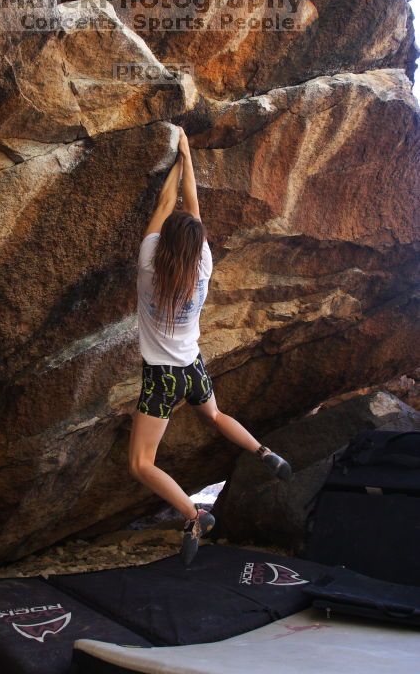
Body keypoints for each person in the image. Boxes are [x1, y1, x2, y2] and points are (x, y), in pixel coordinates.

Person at [128, 126, 292, 566]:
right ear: (195, 244)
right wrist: (188, 156)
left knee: (142, 463)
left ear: (162, 246)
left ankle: (193, 514)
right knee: (215, 415)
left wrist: (173, 160)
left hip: (162, 374)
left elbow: (167, 205)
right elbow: (188, 206)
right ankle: (264, 452)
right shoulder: (203, 265)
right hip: (193, 363)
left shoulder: (148, 266)